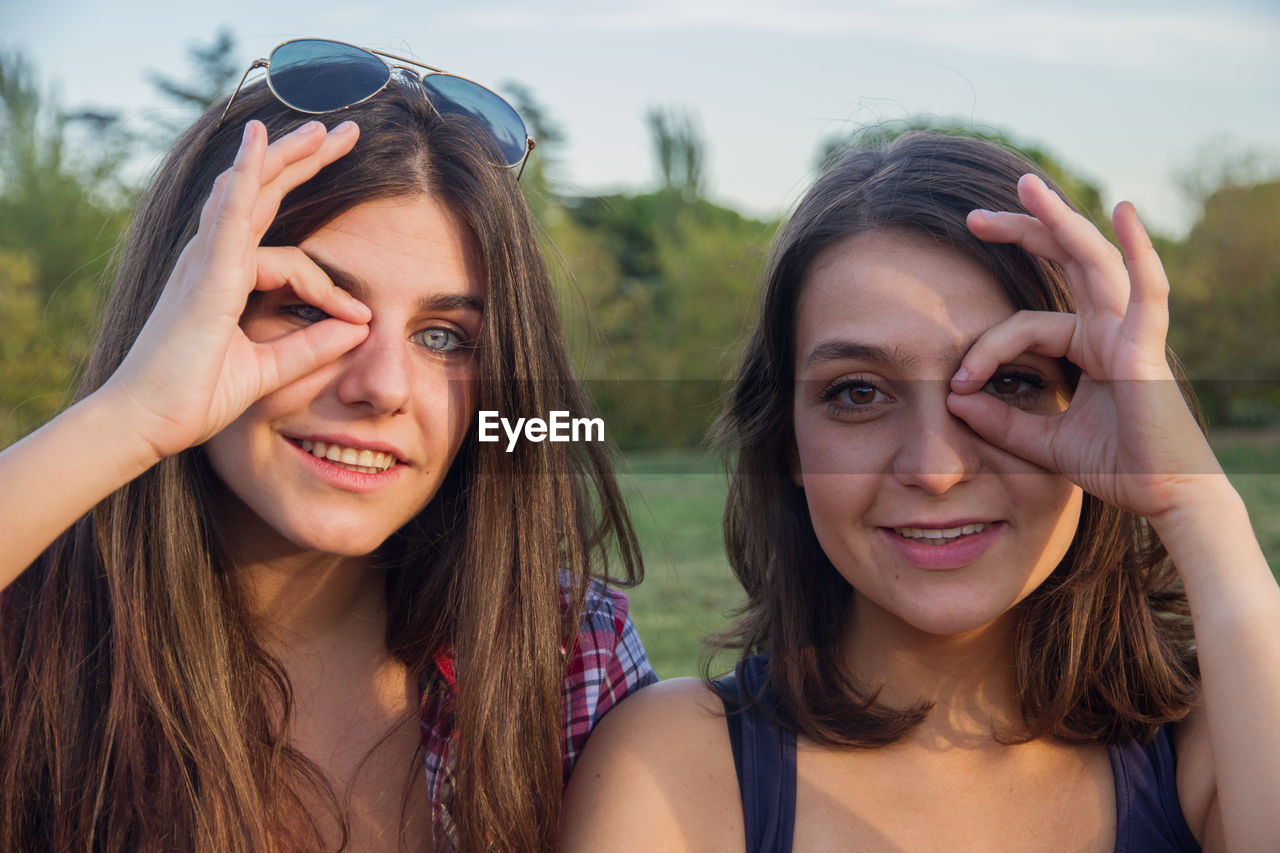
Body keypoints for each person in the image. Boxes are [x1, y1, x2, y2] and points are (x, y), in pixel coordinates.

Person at [0, 39, 653, 852]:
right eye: (309, 308)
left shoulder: (560, 652)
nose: (382, 386)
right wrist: (131, 416)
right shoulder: (29, 628)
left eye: (445, 337)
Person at [559, 132, 1280, 851]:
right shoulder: (676, 766)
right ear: (789, 443)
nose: (936, 467)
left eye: (1011, 379)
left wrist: (1193, 501)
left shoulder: (1216, 746)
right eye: (859, 392)